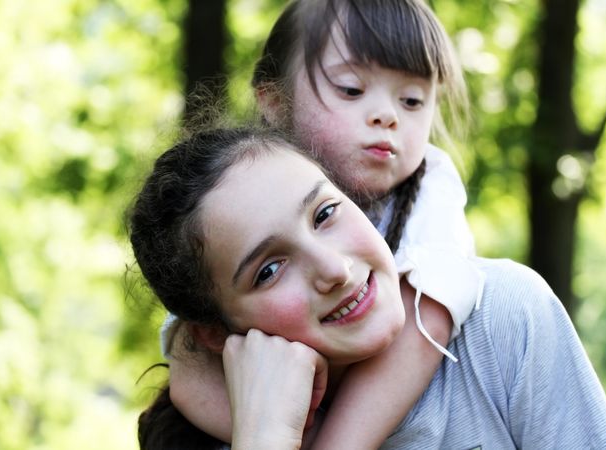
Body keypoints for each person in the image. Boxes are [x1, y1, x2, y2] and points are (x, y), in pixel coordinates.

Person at [130, 126, 606, 448]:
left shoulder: (501, 322)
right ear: (217, 333)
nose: (335, 270)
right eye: (269, 270)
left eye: (325, 213)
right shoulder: (217, 437)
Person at [166, 1, 485, 447]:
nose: (388, 115)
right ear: (275, 102)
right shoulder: (235, 205)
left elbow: (427, 316)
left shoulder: (433, 187)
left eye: (412, 100)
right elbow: (188, 368)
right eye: (352, 89)